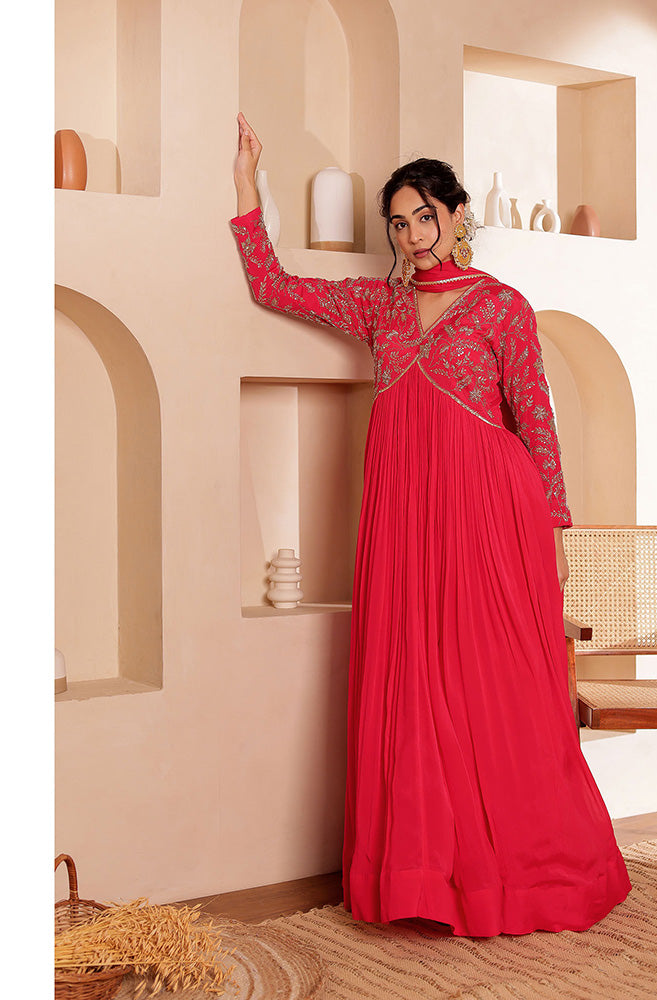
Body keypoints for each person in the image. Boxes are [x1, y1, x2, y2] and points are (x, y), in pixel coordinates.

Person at [232, 112, 631, 937]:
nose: (413, 235)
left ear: (456, 216)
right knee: (417, 685)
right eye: (399, 223)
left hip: (491, 517)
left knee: (496, 685)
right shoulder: (378, 306)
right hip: (405, 522)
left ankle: (527, 873)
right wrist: (247, 184)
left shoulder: (502, 308)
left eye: (425, 216)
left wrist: (556, 532)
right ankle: (430, 876)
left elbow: (538, 422)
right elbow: (272, 286)